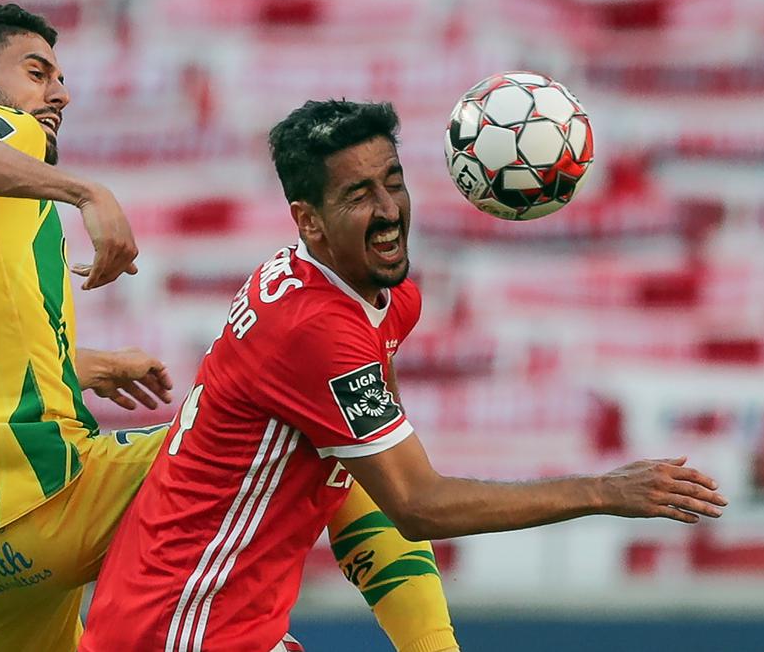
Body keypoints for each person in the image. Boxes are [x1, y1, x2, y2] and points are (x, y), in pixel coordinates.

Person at [0, 5, 459, 652]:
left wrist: (82, 365)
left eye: (58, 76)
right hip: (38, 500)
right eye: (36, 72)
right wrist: (87, 193)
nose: (59, 93)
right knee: (325, 442)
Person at [81, 99, 730, 652]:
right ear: (308, 220)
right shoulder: (316, 331)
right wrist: (601, 493)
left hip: (207, 624)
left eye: (392, 181)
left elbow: (363, 479)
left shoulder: (367, 295)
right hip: (178, 630)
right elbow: (416, 506)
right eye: (358, 195)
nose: (389, 209)